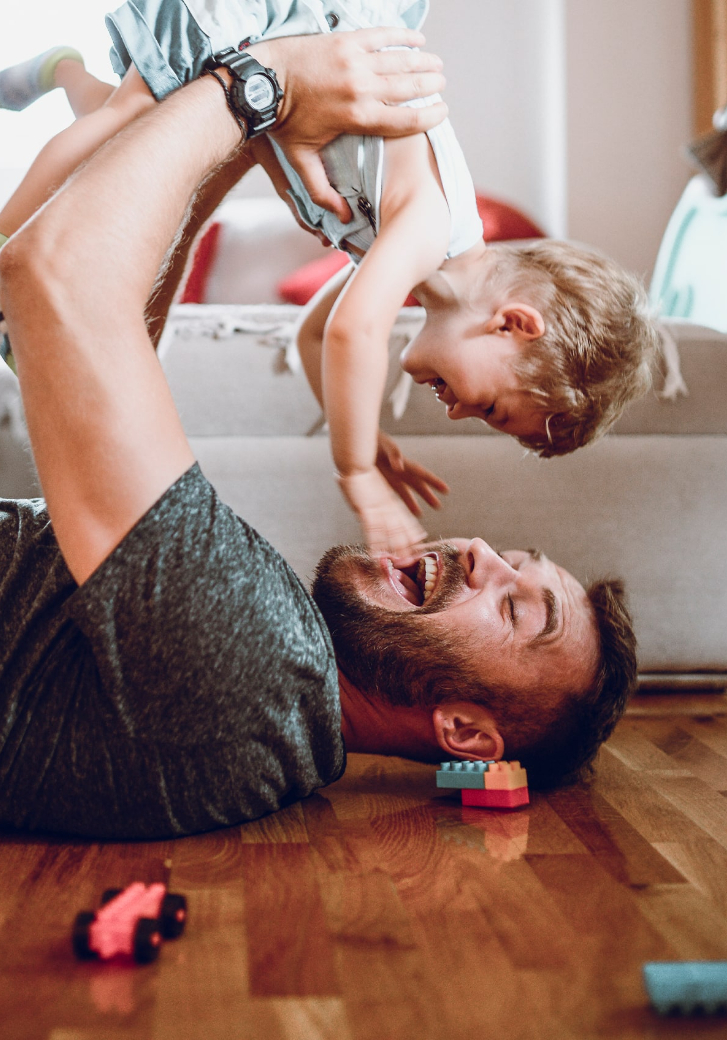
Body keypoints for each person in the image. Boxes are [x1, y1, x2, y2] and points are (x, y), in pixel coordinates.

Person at [0, 35, 639, 841]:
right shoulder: (276, 699)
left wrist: (261, 87)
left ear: (467, 735)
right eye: (516, 558)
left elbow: (53, 274)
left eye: (514, 609)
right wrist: (241, 138)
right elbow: (86, 331)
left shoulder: (254, 665)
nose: (482, 551)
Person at [0, 2, 660, 557]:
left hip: (266, 60)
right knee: (123, 129)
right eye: (489, 407)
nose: (457, 410)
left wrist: (359, 425)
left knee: (134, 121)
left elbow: (314, 337)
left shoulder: (418, 270)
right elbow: (352, 333)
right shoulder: (433, 227)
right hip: (268, 21)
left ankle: (60, 69)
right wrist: (357, 472)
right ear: (513, 323)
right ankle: (11, 244)